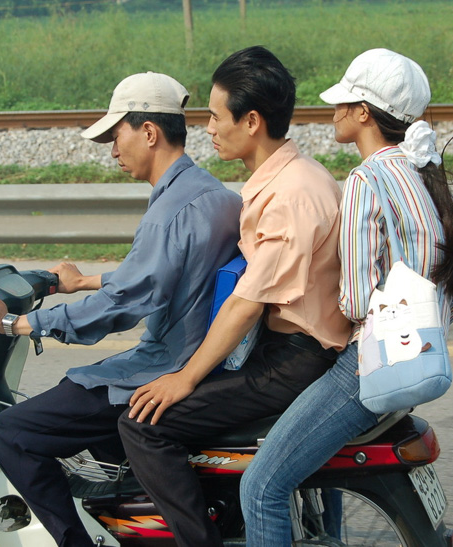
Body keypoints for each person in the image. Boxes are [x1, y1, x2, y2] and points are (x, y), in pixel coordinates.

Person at [239, 48, 453, 545]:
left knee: (261, 486)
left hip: (368, 365)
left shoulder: (365, 179)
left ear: (364, 113)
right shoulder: (424, 170)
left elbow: (358, 303)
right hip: (417, 358)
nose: (333, 111)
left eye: (344, 102)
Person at [0, 71, 242, 547]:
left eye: (116, 135)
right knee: (81, 402)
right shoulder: (213, 194)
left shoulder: (169, 213)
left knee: (13, 432)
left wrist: (23, 323)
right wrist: (82, 281)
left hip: (163, 364)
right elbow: (163, 276)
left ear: (149, 133)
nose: (113, 150)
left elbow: (128, 302)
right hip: (204, 357)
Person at [117, 46, 352, 547]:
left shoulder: (290, 194)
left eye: (215, 115)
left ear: (250, 121)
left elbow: (247, 302)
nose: (206, 127)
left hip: (293, 360)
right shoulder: (292, 177)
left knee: (144, 425)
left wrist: (185, 377)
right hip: (290, 351)